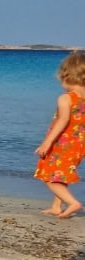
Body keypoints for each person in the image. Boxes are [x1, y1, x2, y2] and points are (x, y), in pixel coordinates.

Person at [34, 52, 85, 218]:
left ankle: (73, 203)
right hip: (79, 145)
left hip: (63, 143)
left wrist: (47, 143)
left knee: (48, 176)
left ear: (68, 76)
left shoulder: (66, 98)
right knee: (60, 175)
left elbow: (62, 121)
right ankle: (56, 206)